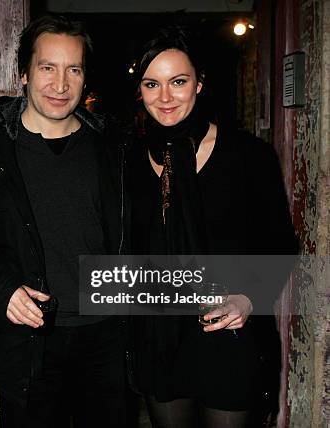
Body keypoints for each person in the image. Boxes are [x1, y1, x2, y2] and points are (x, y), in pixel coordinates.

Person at [0, 14, 132, 428]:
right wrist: (2, 290)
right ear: (24, 74)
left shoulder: (114, 150)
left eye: (73, 69)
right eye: (47, 67)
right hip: (31, 341)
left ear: (86, 79)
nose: (60, 84)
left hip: (105, 335)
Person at [127, 27, 298, 427]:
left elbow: (280, 242)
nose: (165, 97)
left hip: (227, 335)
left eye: (179, 81)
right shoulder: (129, 160)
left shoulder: (248, 156)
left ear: (199, 84)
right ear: (140, 90)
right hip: (159, 337)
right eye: (152, 84)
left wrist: (249, 299)